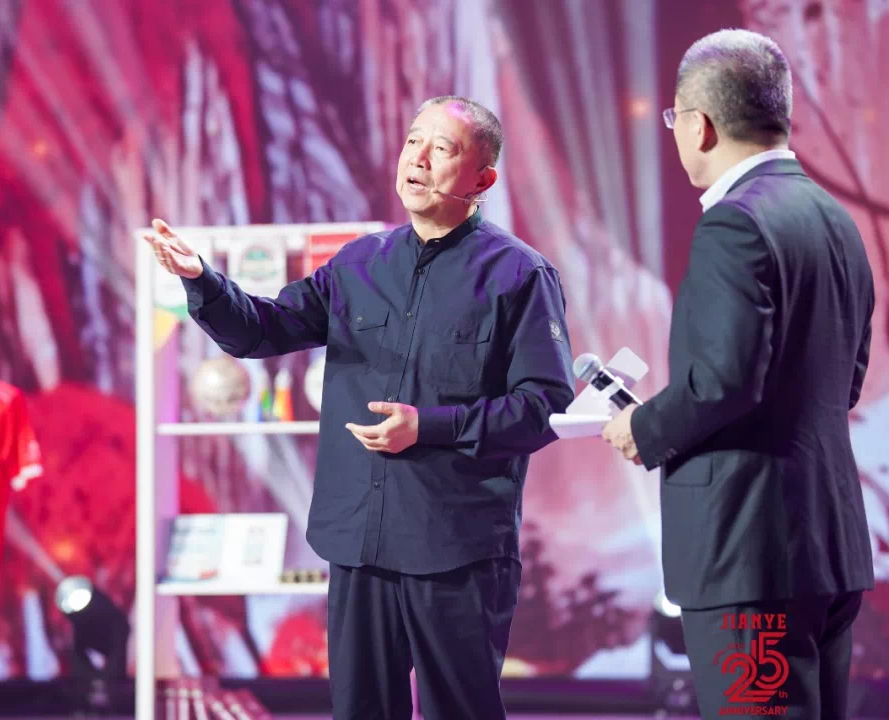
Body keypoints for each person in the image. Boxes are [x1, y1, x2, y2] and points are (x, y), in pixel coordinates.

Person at [147, 95, 575, 719]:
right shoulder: (358, 263)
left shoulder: (519, 274)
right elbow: (262, 331)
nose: (418, 159)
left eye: (442, 149)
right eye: (413, 141)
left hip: (455, 548)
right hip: (359, 544)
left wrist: (429, 428)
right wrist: (201, 281)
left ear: (483, 180)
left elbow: (543, 406)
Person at [602, 29, 875, 719]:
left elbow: (724, 381)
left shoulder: (735, 223)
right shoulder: (836, 221)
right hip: (827, 549)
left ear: (699, 125)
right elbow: (846, 381)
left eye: (674, 118)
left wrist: (643, 426)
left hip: (751, 561)